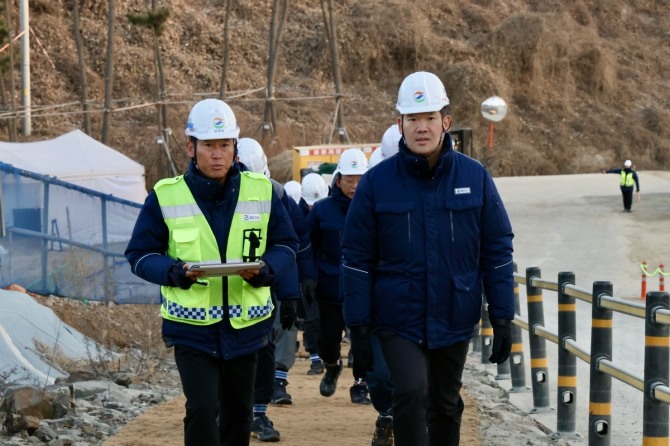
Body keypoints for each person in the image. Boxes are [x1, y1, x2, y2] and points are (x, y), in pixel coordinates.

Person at [341, 71, 515, 446]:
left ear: (445, 122)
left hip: (455, 311)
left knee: (446, 404)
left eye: (430, 118)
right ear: (399, 124)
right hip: (397, 317)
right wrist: (359, 328)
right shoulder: (376, 184)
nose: (422, 128)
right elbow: (356, 259)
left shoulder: (476, 176)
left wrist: (503, 317)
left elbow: (498, 249)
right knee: (411, 393)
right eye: (413, 119)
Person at [125, 99, 298, 446]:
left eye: (224, 145)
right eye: (208, 146)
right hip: (191, 329)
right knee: (203, 409)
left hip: (246, 327)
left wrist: (267, 271)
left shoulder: (262, 191)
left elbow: (286, 245)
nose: (217, 154)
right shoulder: (165, 196)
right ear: (191, 147)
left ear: (235, 147)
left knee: (238, 414)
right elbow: (140, 254)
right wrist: (174, 272)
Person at [237, 137, 313, 442]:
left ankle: (258, 413)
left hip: (260, 289)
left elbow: (287, 245)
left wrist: (290, 294)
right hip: (215, 293)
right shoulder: (208, 195)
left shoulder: (276, 196)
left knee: (263, 350)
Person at [308, 148, 372, 405]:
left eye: (359, 179)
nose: (355, 185)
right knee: (328, 340)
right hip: (329, 287)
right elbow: (307, 247)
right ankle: (332, 366)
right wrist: (309, 278)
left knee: (362, 341)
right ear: (338, 180)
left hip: (362, 289)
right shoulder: (322, 211)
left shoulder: (372, 209)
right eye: (349, 179)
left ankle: (360, 384)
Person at [299, 172, 330, 375]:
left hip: (329, 272)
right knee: (311, 317)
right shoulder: (297, 214)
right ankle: (315, 357)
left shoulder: (330, 209)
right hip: (307, 274)